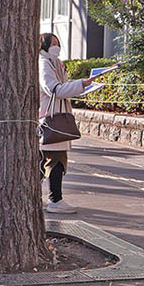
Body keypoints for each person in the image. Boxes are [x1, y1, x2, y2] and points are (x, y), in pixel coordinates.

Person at [38, 33, 94, 215]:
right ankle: (55, 199)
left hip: (55, 116)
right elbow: (54, 89)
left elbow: (61, 87)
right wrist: (80, 84)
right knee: (56, 159)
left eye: (57, 43)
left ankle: (38, 196)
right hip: (51, 118)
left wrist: (81, 85)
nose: (56, 46)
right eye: (52, 43)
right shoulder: (43, 63)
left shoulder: (54, 63)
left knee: (44, 160)